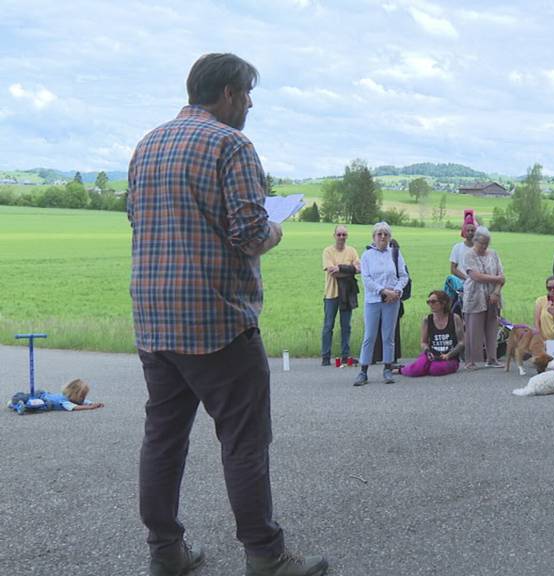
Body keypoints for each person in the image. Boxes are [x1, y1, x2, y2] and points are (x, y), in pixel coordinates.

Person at [128, 54, 327, 576]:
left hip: (153, 322)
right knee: (243, 440)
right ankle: (265, 554)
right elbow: (250, 233)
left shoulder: (147, 143)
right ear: (229, 94)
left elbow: (135, 217)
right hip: (216, 321)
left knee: (163, 438)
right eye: (247, 93)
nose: (251, 103)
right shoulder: (231, 144)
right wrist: (276, 228)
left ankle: (164, 552)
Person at [354, 222, 408, 386]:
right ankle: (363, 371)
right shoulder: (367, 256)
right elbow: (367, 279)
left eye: (386, 234)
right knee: (369, 336)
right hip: (373, 300)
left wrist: (397, 291)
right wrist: (383, 291)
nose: (383, 237)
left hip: (392, 300)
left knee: (388, 336)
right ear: (374, 237)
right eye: (380, 234)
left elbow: (403, 276)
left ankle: (387, 368)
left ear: (390, 237)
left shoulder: (396, 254)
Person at [461, 226, 505, 369]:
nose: (484, 246)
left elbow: (502, 277)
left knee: (492, 327)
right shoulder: (469, 255)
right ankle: (472, 360)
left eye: (486, 243)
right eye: (481, 243)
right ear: (475, 241)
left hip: (493, 297)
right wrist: (497, 279)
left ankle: (492, 358)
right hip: (475, 297)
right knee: (474, 329)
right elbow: (476, 276)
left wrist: (496, 292)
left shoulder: (494, 254)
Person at [400, 291, 464, 377]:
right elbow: (423, 342)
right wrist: (427, 351)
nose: (430, 304)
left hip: (450, 358)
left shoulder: (455, 318)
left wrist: (449, 355)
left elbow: (461, 343)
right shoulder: (427, 320)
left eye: (433, 302)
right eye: (428, 302)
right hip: (432, 355)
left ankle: (425, 367)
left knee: (435, 370)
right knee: (415, 371)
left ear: (443, 303)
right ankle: (401, 369)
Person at [321, 225, 360, 366]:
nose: (342, 237)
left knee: (346, 326)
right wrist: (349, 270)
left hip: (347, 294)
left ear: (347, 236)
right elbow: (332, 272)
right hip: (331, 294)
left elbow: (359, 269)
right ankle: (325, 357)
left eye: (344, 235)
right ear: (334, 235)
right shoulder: (327, 251)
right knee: (328, 326)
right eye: (339, 234)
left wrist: (341, 268)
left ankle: (345, 356)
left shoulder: (352, 251)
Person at [449, 210, 476, 281]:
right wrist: (466, 278)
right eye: (468, 230)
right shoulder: (457, 248)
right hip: (461, 284)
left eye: (472, 230)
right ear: (464, 232)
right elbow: (453, 269)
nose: (470, 233)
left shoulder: (479, 249)